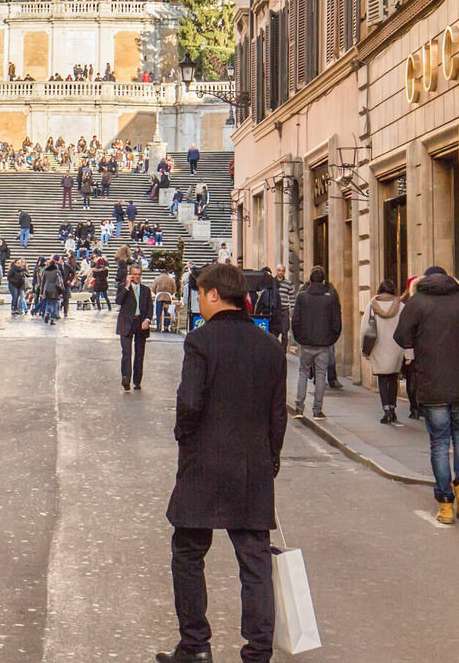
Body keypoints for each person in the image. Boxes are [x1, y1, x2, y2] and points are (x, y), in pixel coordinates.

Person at [158, 263, 286, 663]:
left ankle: (195, 645)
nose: (198, 300)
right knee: (255, 562)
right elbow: (276, 415)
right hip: (252, 466)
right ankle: (258, 652)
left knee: (188, 552)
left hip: (205, 465)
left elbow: (190, 402)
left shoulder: (201, 341)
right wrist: (270, 459)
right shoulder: (270, 347)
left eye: (200, 293)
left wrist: (184, 435)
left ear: (214, 295)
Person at [394, 266, 459, 525]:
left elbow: (402, 337)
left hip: (433, 384)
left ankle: (446, 505)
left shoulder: (417, 303)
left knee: (439, 442)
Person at [289, 265, 342, 419]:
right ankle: (317, 410)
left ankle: (299, 408)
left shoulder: (302, 297)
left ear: (310, 280)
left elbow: (296, 321)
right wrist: (331, 339)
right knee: (320, 375)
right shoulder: (330, 298)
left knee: (303, 373)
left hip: (306, 343)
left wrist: (299, 338)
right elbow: (336, 322)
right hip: (323, 344)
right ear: (324, 280)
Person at [362, 278, 408, 426]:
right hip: (396, 347)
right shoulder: (401, 306)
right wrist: (409, 353)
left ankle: (386, 410)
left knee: (382, 379)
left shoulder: (371, 305)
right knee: (393, 379)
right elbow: (407, 330)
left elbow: (365, 329)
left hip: (378, 346)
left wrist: (364, 349)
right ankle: (393, 410)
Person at [117, 265, 153, 392]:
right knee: (126, 353)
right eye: (134, 274)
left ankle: (137, 381)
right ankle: (126, 378)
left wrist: (147, 320)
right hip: (126, 323)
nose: (137, 277)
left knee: (139, 354)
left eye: (139, 274)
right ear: (130, 275)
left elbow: (150, 307)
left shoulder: (146, 290)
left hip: (140, 323)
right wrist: (127, 286)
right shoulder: (123, 288)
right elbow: (118, 301)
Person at [39, 260, 66, 325]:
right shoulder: (57, 272)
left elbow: (42, 282)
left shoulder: (45, 272)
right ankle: (52, 319)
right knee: (54, 303)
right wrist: (62, 289)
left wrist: (41, 292)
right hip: (54, 288)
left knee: (48, 302)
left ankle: (47, 312)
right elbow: (60, 281)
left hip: (46, 287)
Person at [154, 268, 179, 333]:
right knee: (167, 312)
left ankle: (158, 326)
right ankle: (166, 327)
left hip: (159, 296)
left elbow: (153, 287)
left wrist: (156, 293)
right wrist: (171, 293)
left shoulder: (157, 278)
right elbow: (174, 289)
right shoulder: (170, 279)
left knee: (158, 312)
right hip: (168, 297)